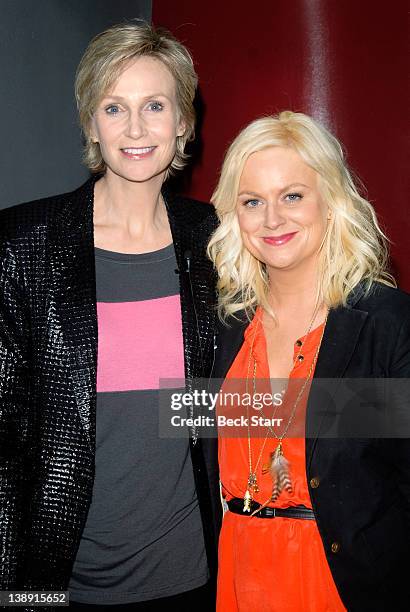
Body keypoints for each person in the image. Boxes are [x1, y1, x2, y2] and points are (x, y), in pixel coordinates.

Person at [0, 21, 221, 610]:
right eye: (113, 107)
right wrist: (18, 597)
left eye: (154, 105)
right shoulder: (25, 243)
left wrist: (378, 409)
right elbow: (6, 440)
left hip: (193, 577)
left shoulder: (216, 242)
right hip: (60, 584)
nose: (136, 128)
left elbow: (210, 405)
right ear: (91, 123)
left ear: (182, 123)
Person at [208, 111, 410, 611]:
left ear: (331, 202)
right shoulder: (225, 329)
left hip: (342, 586)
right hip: (237, 580)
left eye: (292, 196)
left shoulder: (387, 324)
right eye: (253, 201)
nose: (272, 219)